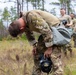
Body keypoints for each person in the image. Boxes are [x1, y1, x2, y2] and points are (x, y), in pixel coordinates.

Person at [8, 10, 64, 75]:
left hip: (56, 31)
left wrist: (49, 48)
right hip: (48, 33)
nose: (23, 32)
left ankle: (58, 72)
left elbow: (46, 30)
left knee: (54, 57)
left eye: (21, 32)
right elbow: (29, 34)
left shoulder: (32, 17)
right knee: (37, 54)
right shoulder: (23, 22)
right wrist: (34, 46)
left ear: (21, 28)